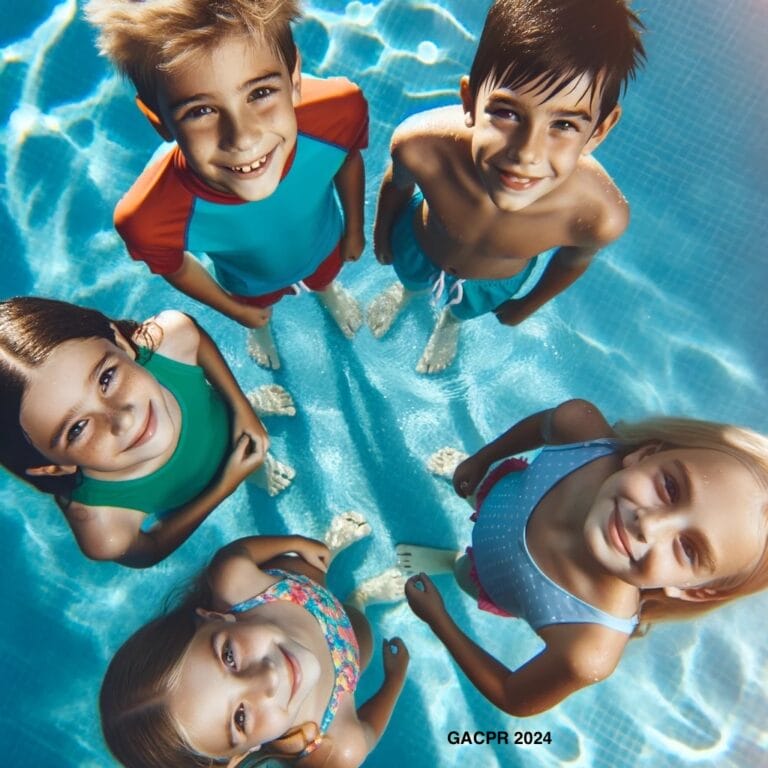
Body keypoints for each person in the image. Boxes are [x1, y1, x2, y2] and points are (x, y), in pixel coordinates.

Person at [396, 399, 768, 715]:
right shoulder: (581, 431)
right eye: (670, 487)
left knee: (465, 574)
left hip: (490, 575)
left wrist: (438, 617)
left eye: (688, 548)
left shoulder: (589, 647)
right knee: (480, 491)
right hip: (505, 495)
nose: (650, 525)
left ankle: (450, 562)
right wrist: (483, 458)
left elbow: (513, 696)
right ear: (645, 455)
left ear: (693, 590)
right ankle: (472, 487)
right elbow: (543, 426)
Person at [85, 0, 369, 369]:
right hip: (249, 284)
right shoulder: (148, 217)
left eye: (261, 92)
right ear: (159, 121)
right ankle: (259, 327)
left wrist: (355, 231)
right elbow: (173, 265)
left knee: (325, 277)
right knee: (258, 308)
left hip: (325, 244)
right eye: (200, 111)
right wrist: (234, 309)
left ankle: (327, 292)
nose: (243, 138)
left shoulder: (338, 111)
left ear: (294, 78)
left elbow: (347, 159)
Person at [368, 0, 645, 373]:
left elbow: (572, 260)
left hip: (490, 284)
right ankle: (407, 291)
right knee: (409, 277)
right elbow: (397, 186)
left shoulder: (596, 216)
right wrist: (381, 235)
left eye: (563, 125)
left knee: (462, 310)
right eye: (507, 113)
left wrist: (527, 305)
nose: (527, 153)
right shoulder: (422, 148)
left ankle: (450, 324)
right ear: (470, 101)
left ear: (599, 130)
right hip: (418, 244)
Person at [0, 296, 295, 567]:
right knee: (243, 453)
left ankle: (246, 427)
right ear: (52, 467)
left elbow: (195, 337)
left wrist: (242, 410)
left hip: (224, 420)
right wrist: (225, 485)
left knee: (240, 435)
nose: (123, 419)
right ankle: (246, 461)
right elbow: (149, 550)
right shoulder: (103, 525)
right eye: (77, 428)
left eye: (107, 377)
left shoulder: (172, 337)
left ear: (120, 342)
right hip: (188, 495)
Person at [100, 528, 409, 768]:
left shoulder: (233, 579)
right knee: (361, 630)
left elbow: (237, 552)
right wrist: (394, 679)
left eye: (229, 656)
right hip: (345, 652)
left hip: (300, 587)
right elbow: (367, 728)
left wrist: (295, 542)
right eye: (240, 719)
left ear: (213, 617)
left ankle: (324, 553)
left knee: (303, 563)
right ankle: (361, 598)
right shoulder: (337, 748)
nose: (268, 679)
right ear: (241, 755)